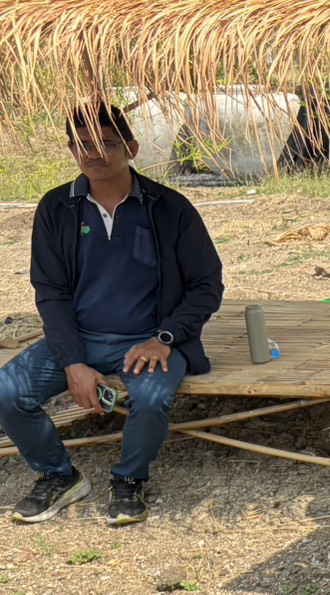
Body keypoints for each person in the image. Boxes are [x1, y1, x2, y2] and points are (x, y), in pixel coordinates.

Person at [0, 103, 224, 527]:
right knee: (6, 392)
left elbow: (207, 285)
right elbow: (51, 292)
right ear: (71, 150)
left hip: (150, 340)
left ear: (131, 148)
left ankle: (129, 480)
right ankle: (58, 476)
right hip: (80, 337)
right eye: (82, 144)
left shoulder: (169, 208)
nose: (94, 153)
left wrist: (166, 338)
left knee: (152, 399)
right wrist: (72, 362)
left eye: (106, 143)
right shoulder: (57, 208)